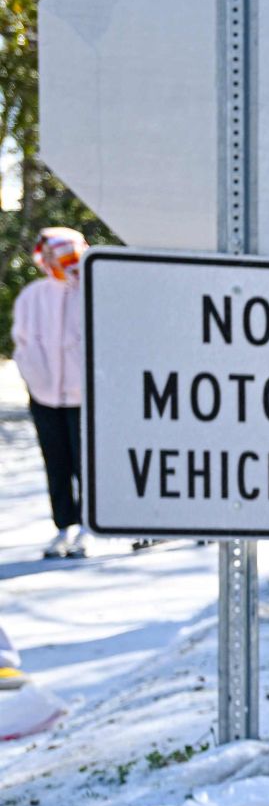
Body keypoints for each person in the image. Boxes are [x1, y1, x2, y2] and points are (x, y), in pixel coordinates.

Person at [13, 228, 89, 559]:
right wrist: (37, 380)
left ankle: (89, 528)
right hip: (44, 396)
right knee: (55, 462)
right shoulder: (33, 295)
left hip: (85, 398)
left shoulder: (92, 292)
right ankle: (63, 527)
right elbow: (24, 344)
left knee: (86, 463)